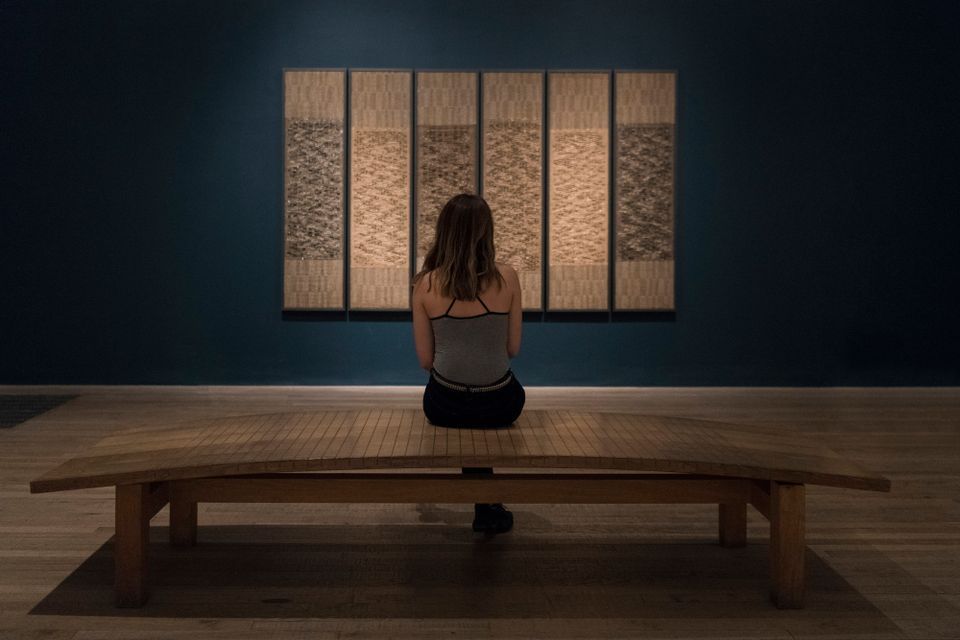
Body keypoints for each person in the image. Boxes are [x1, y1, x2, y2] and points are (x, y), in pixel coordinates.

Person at [411, 193, 525, 534]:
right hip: (500, 402)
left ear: (443, 231)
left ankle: (486, 503)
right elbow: (513, 348)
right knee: (491, 398)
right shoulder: (508, 277)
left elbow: (426, 360)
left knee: (461, 401)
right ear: (486, 232)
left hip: (445, 403)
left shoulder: (425, 284)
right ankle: (487, 504)